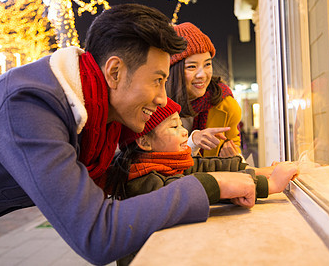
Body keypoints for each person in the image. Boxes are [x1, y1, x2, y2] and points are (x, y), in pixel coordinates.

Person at [0, 3, 260, 266]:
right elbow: (96, 234)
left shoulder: (100, 114)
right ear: (114, 72)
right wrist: (210, 186)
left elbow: (143, 173)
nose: (164, 99)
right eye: (157, 80)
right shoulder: (30, 108)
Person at [107, 97, 299, 265]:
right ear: (145, 142)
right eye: (174, 127)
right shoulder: (141, 178)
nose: (185, 132)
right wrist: (270, 186)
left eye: (181, 124)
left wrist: (263, 172)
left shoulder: (168, 161)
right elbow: (192, 190)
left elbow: (210, 167)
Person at [166, 22, 242, 157]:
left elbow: (235, 148)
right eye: (191, 67)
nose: (202, 75)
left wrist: (230, 156)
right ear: (172, 71)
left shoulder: (225, 104)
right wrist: (193, 142)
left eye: (207, 64)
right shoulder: (156, 107)